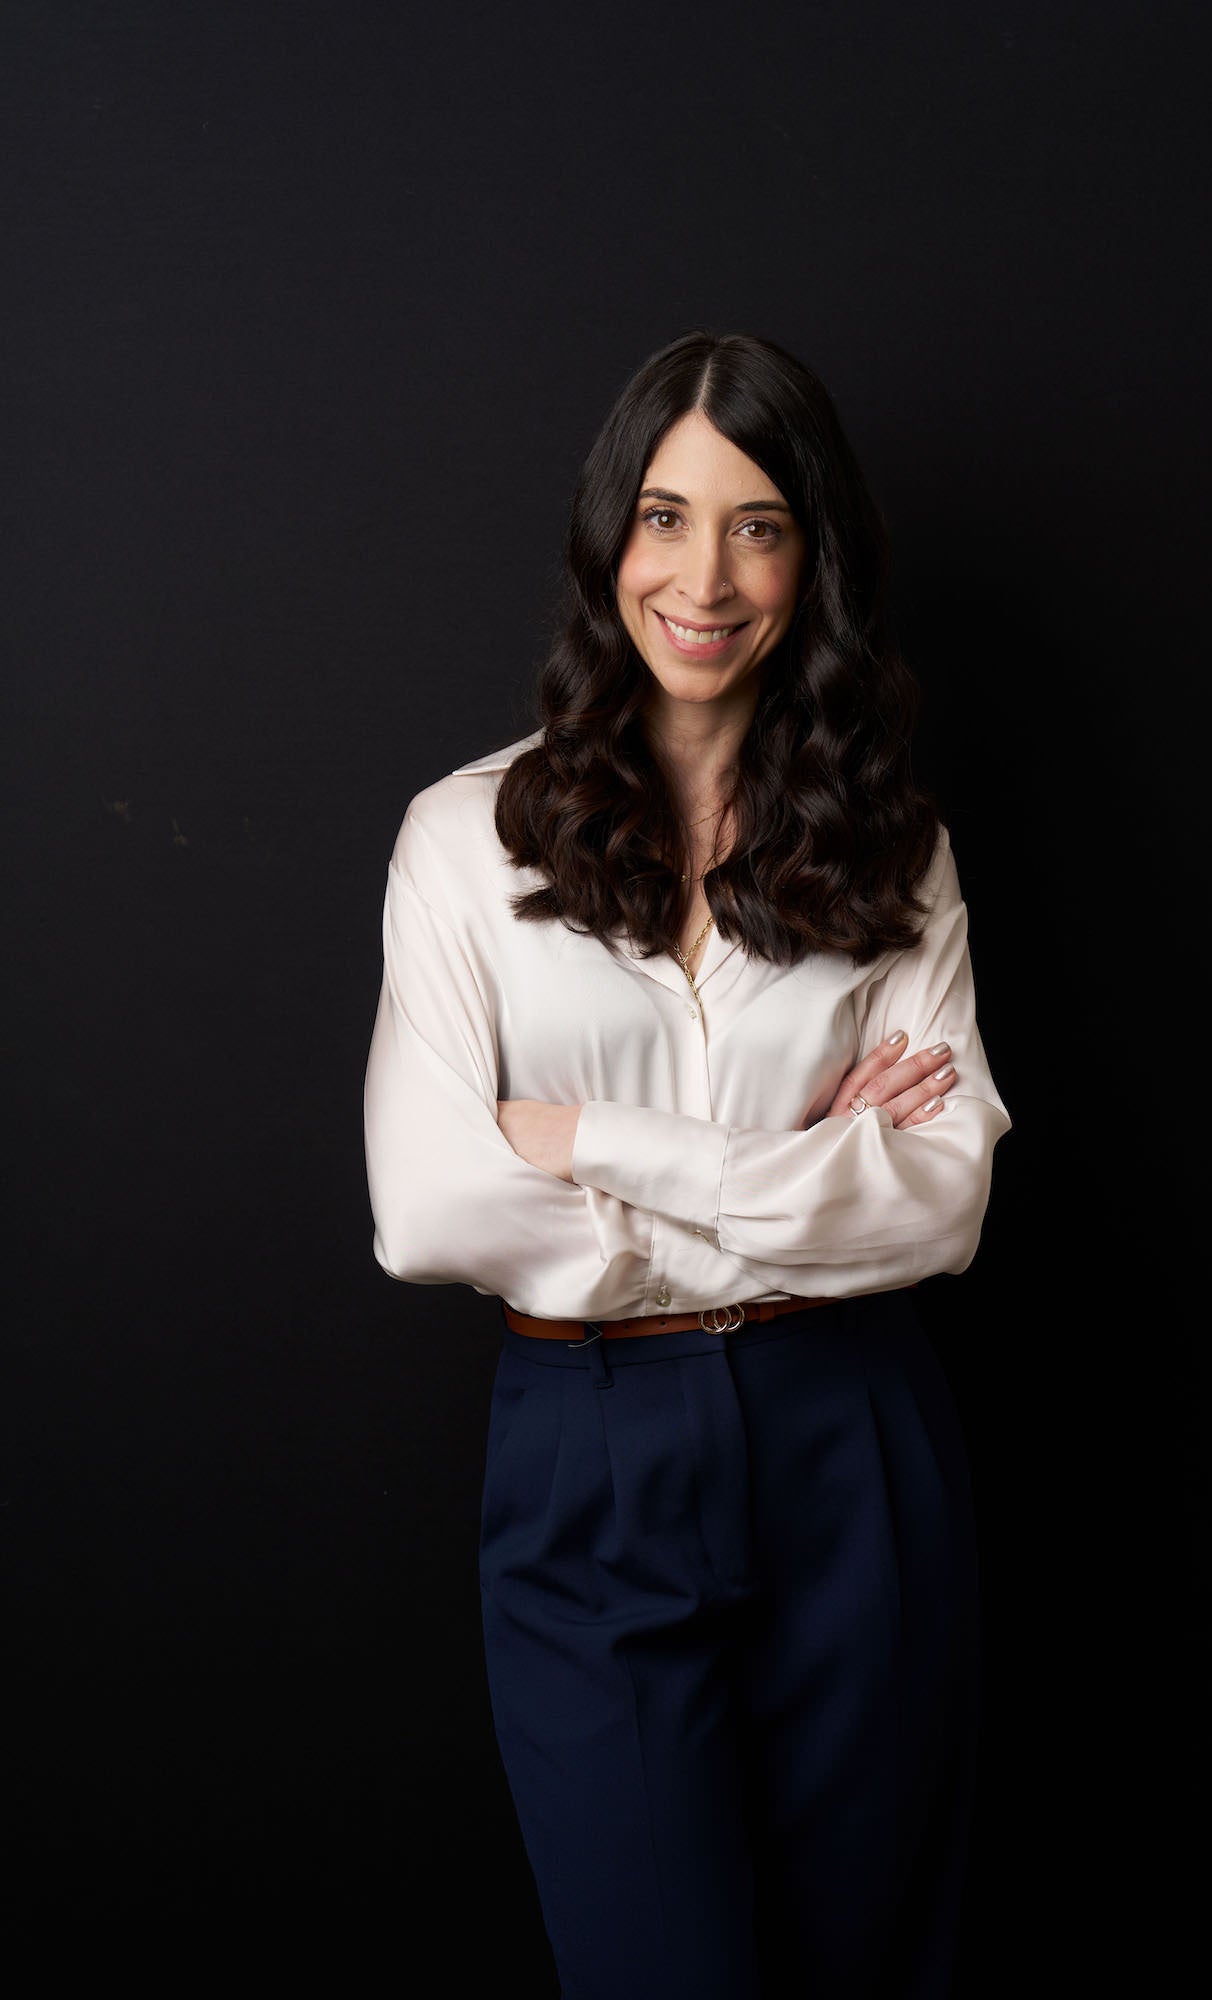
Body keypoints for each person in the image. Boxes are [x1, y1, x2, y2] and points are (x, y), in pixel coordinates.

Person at [363, 330, 1011, 1999]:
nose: (703, 576)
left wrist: (592, 1142)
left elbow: (940, 1209)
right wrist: (800, 1170)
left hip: (850, 1443)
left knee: (863, 1964)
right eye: (664, 517)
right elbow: (429, 1210)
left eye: (758, 524)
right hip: (591, 1455)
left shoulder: (895, 852)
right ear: (609, 543)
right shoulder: (464, 843)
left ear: (815, 560)